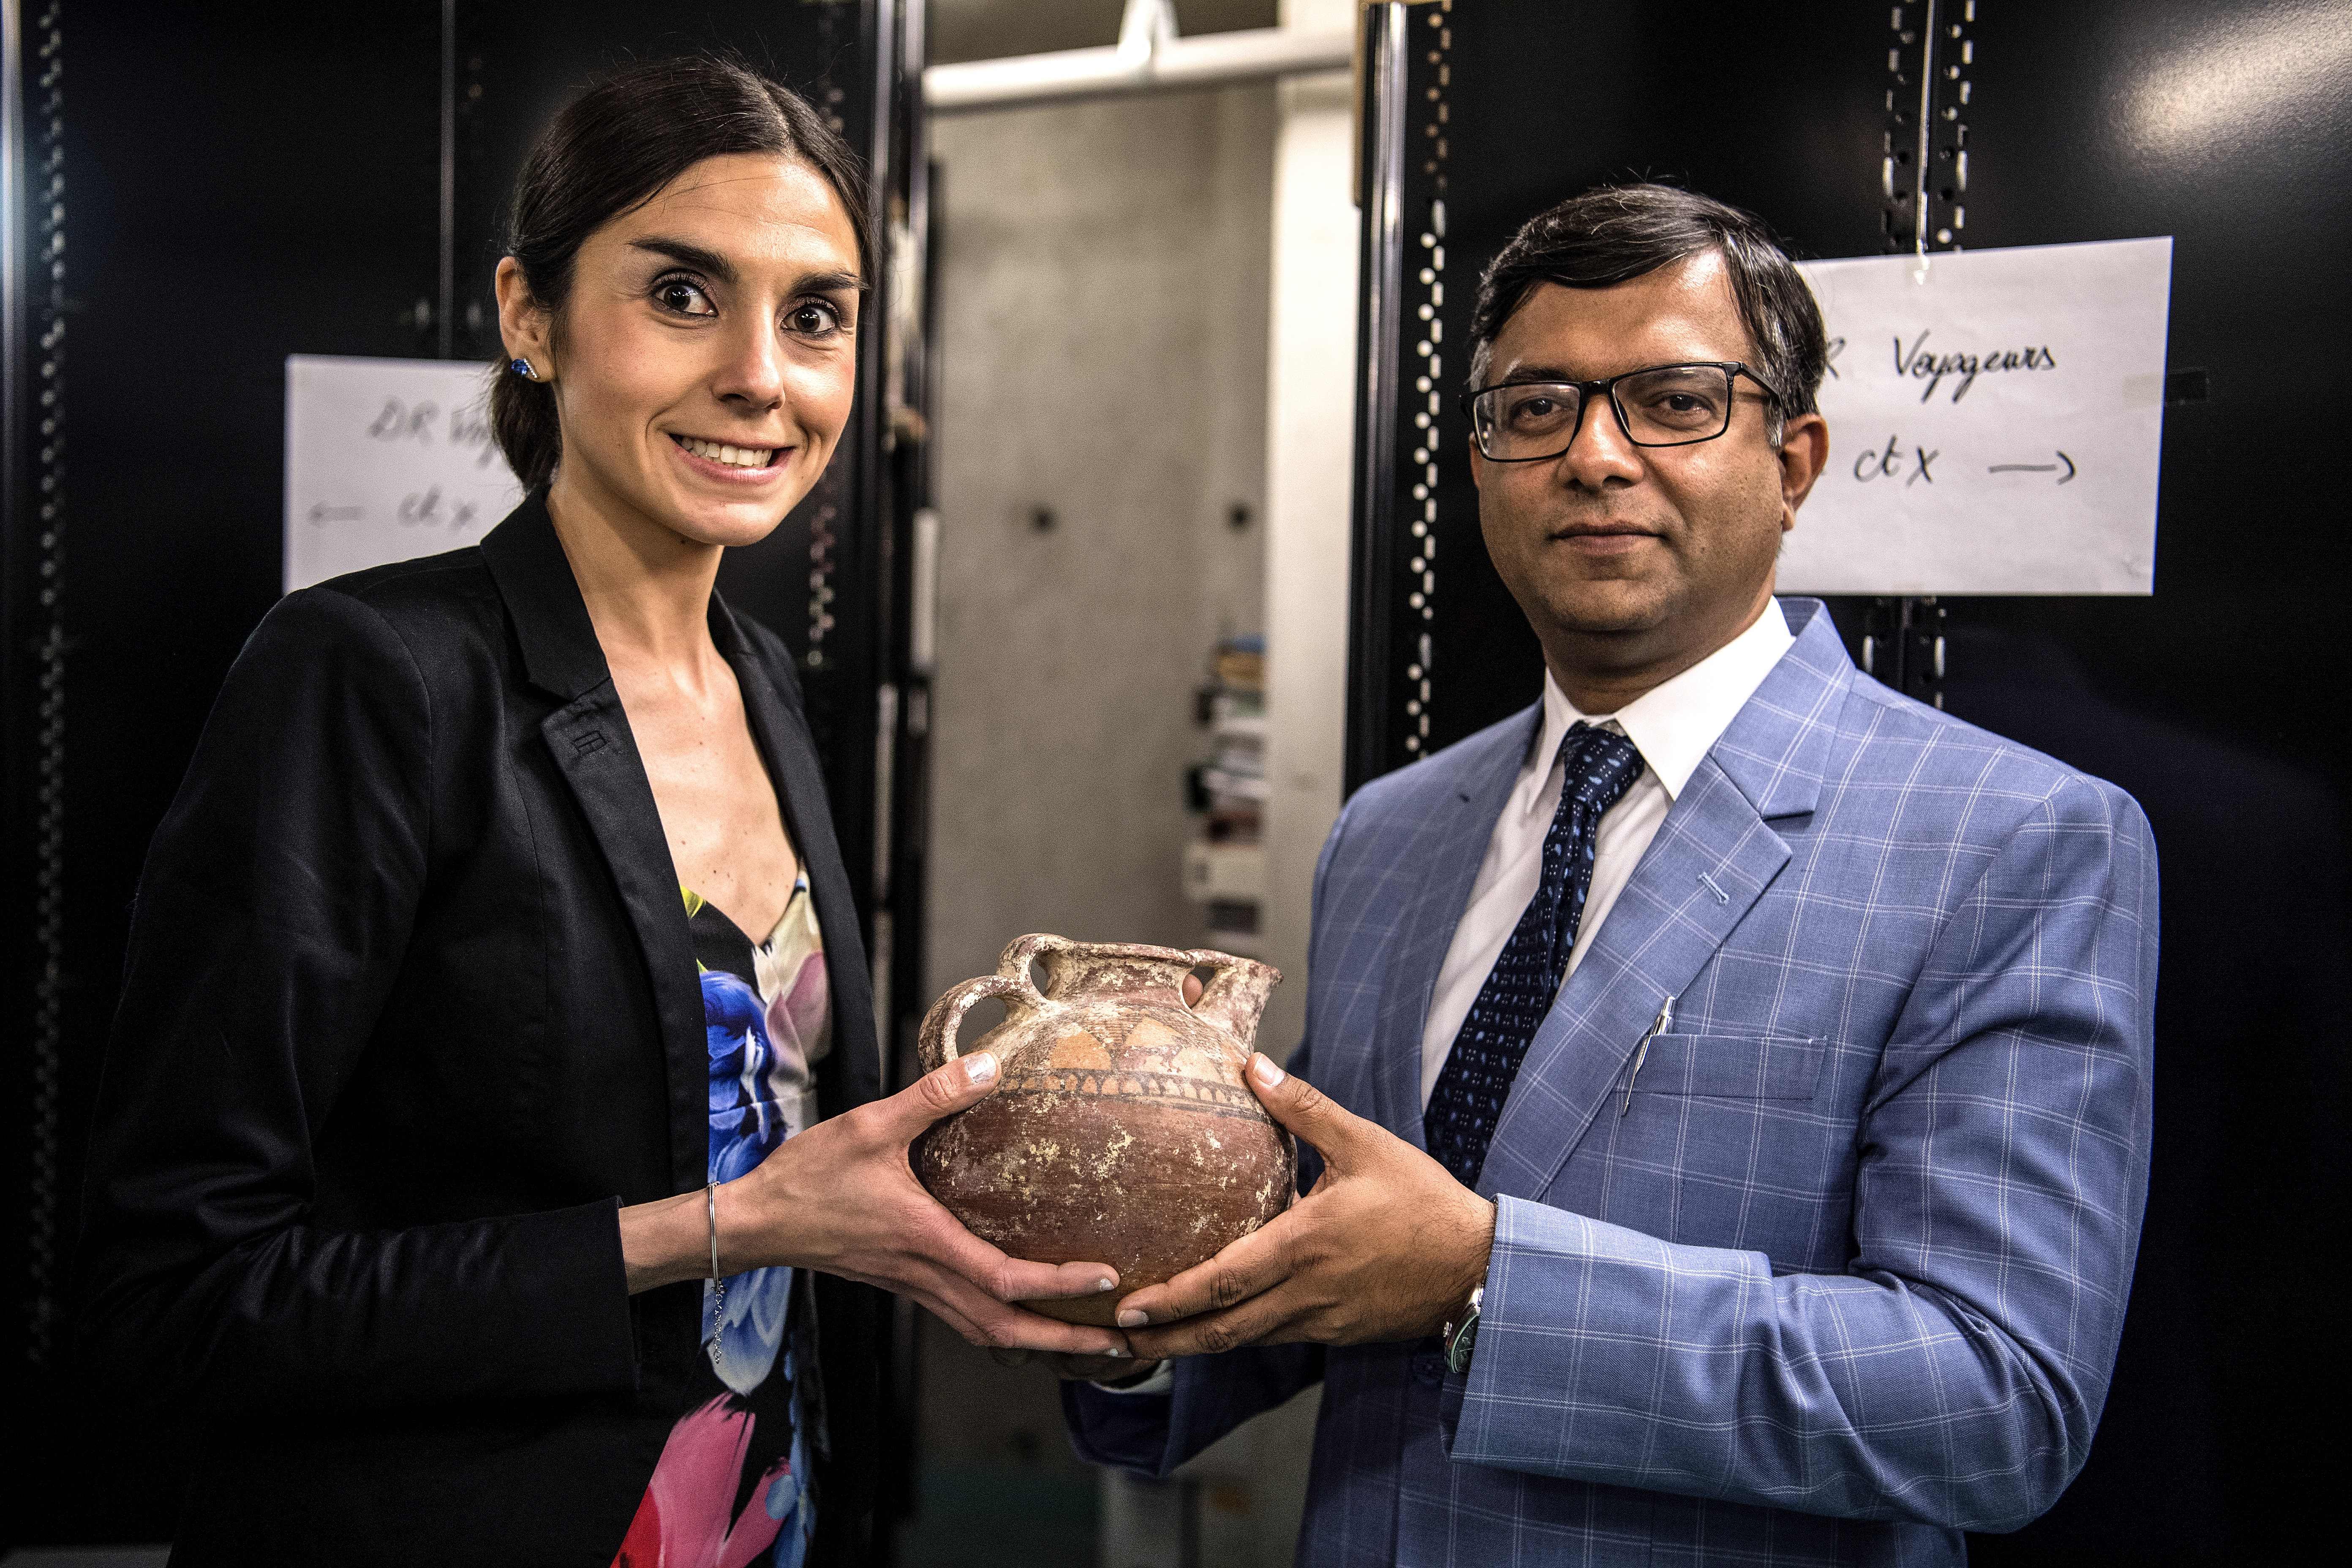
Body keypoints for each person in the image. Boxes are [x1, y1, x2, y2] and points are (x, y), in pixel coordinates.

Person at [76, 57, 1127, 1567]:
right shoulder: (373, 679)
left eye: (815, 314)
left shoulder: (762, 682)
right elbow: (173, 1296)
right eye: (684, 296)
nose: (762, 373)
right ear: (529, 315)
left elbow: (783, 1170)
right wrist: (735, 1227)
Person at [1050, 184, 2158, 1567]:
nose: (1595, 455)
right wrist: (1127, 1330)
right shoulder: (1392, 832)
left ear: (1796, 460)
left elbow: (1996, 1401)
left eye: (1677, 401)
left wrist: (1483, 1281)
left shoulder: (2010, 842)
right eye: (1535, 409)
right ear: (1480, 463)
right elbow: (1338, 1250)